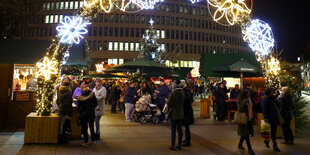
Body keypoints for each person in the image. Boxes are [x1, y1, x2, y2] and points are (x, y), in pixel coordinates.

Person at [261, 87, 281, 152]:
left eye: (273, 92)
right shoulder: (265, 99)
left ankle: (273, 144)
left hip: (274, 117)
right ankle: (270, 143)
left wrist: (274, 99)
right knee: (267, 131)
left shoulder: (272, 99)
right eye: (272, 92)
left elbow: (278, 105)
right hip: (269, 118)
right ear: (268, 92)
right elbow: (264, 109)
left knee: (273, 132)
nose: (273, 93)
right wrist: (265, 117)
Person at [167, 80, 184, 151]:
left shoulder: (173, 93)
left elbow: (169, 103)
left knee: (173, 129)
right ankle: (179, 145)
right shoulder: (182, 93)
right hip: (180, 113)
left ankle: (173, 145)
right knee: (180, 129)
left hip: (174, 113)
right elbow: (183, 102)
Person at [237, 90, 255, 155]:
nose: (248, 95)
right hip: (243, 119)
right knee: (246, 134)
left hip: (249, 119)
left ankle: (240, 144)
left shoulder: (249, 100)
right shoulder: (240, 101)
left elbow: (251, 108)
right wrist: (244, 102)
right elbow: (240, 109)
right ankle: (250, 149)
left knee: (244, 134)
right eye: (247, 94)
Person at [181, 80, 194, 147]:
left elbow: (187, 100)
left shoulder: (186, 91)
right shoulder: (187, 90)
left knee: (187, 127)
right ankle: (186, 139)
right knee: (186, 127)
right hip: (187, 111)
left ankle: (188, 141)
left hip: (187, 112)